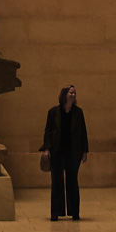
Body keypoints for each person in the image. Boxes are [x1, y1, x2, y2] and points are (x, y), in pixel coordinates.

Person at [39, 85, 89, 221]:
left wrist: (85, 151)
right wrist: (47, 149)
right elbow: (48, 131)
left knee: (72, 181)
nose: (73, 95)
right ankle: (56, 212)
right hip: (57, 152)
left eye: (74, 93)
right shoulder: (53, 111)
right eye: (70, 93)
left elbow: (83, 132)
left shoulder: (78, 112)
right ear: (64, 95)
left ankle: (75, 212)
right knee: (57, 182)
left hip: (74, 152)